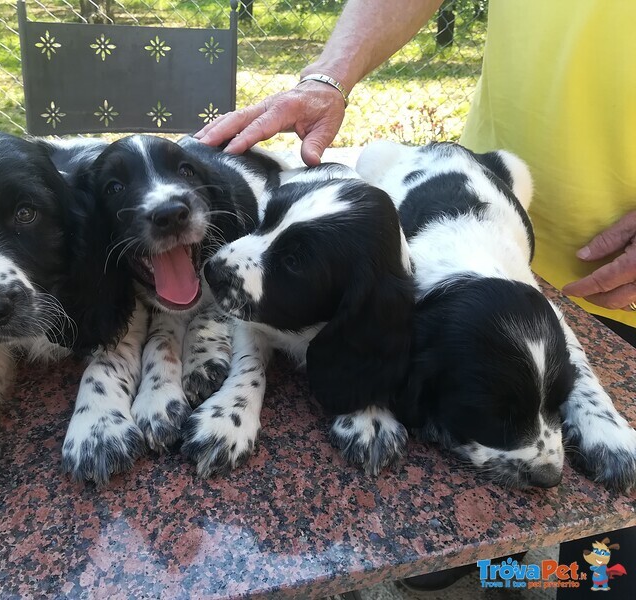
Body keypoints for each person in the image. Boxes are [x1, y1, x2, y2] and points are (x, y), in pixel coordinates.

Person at [197, 0, 636, 596]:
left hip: (604, 278)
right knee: (437, 566)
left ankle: (565, 572)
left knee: (609, 566)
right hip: (485, 186)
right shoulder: (398, 277)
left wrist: (595, 412)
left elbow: (545, 319)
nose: (548, 461)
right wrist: (328, 77)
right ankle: (499, 570)